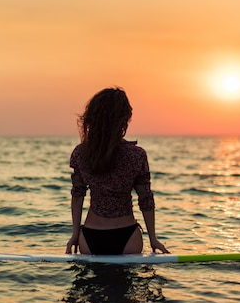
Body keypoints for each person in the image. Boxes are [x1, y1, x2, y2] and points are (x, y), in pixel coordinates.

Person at [66, 87, 169, 255]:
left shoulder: (81, 153)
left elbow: (77, 194)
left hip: (91, 236)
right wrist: (153, 239)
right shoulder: (137, 155)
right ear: (124, 119)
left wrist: (75, 235)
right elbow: (146, 198)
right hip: (127, 236)